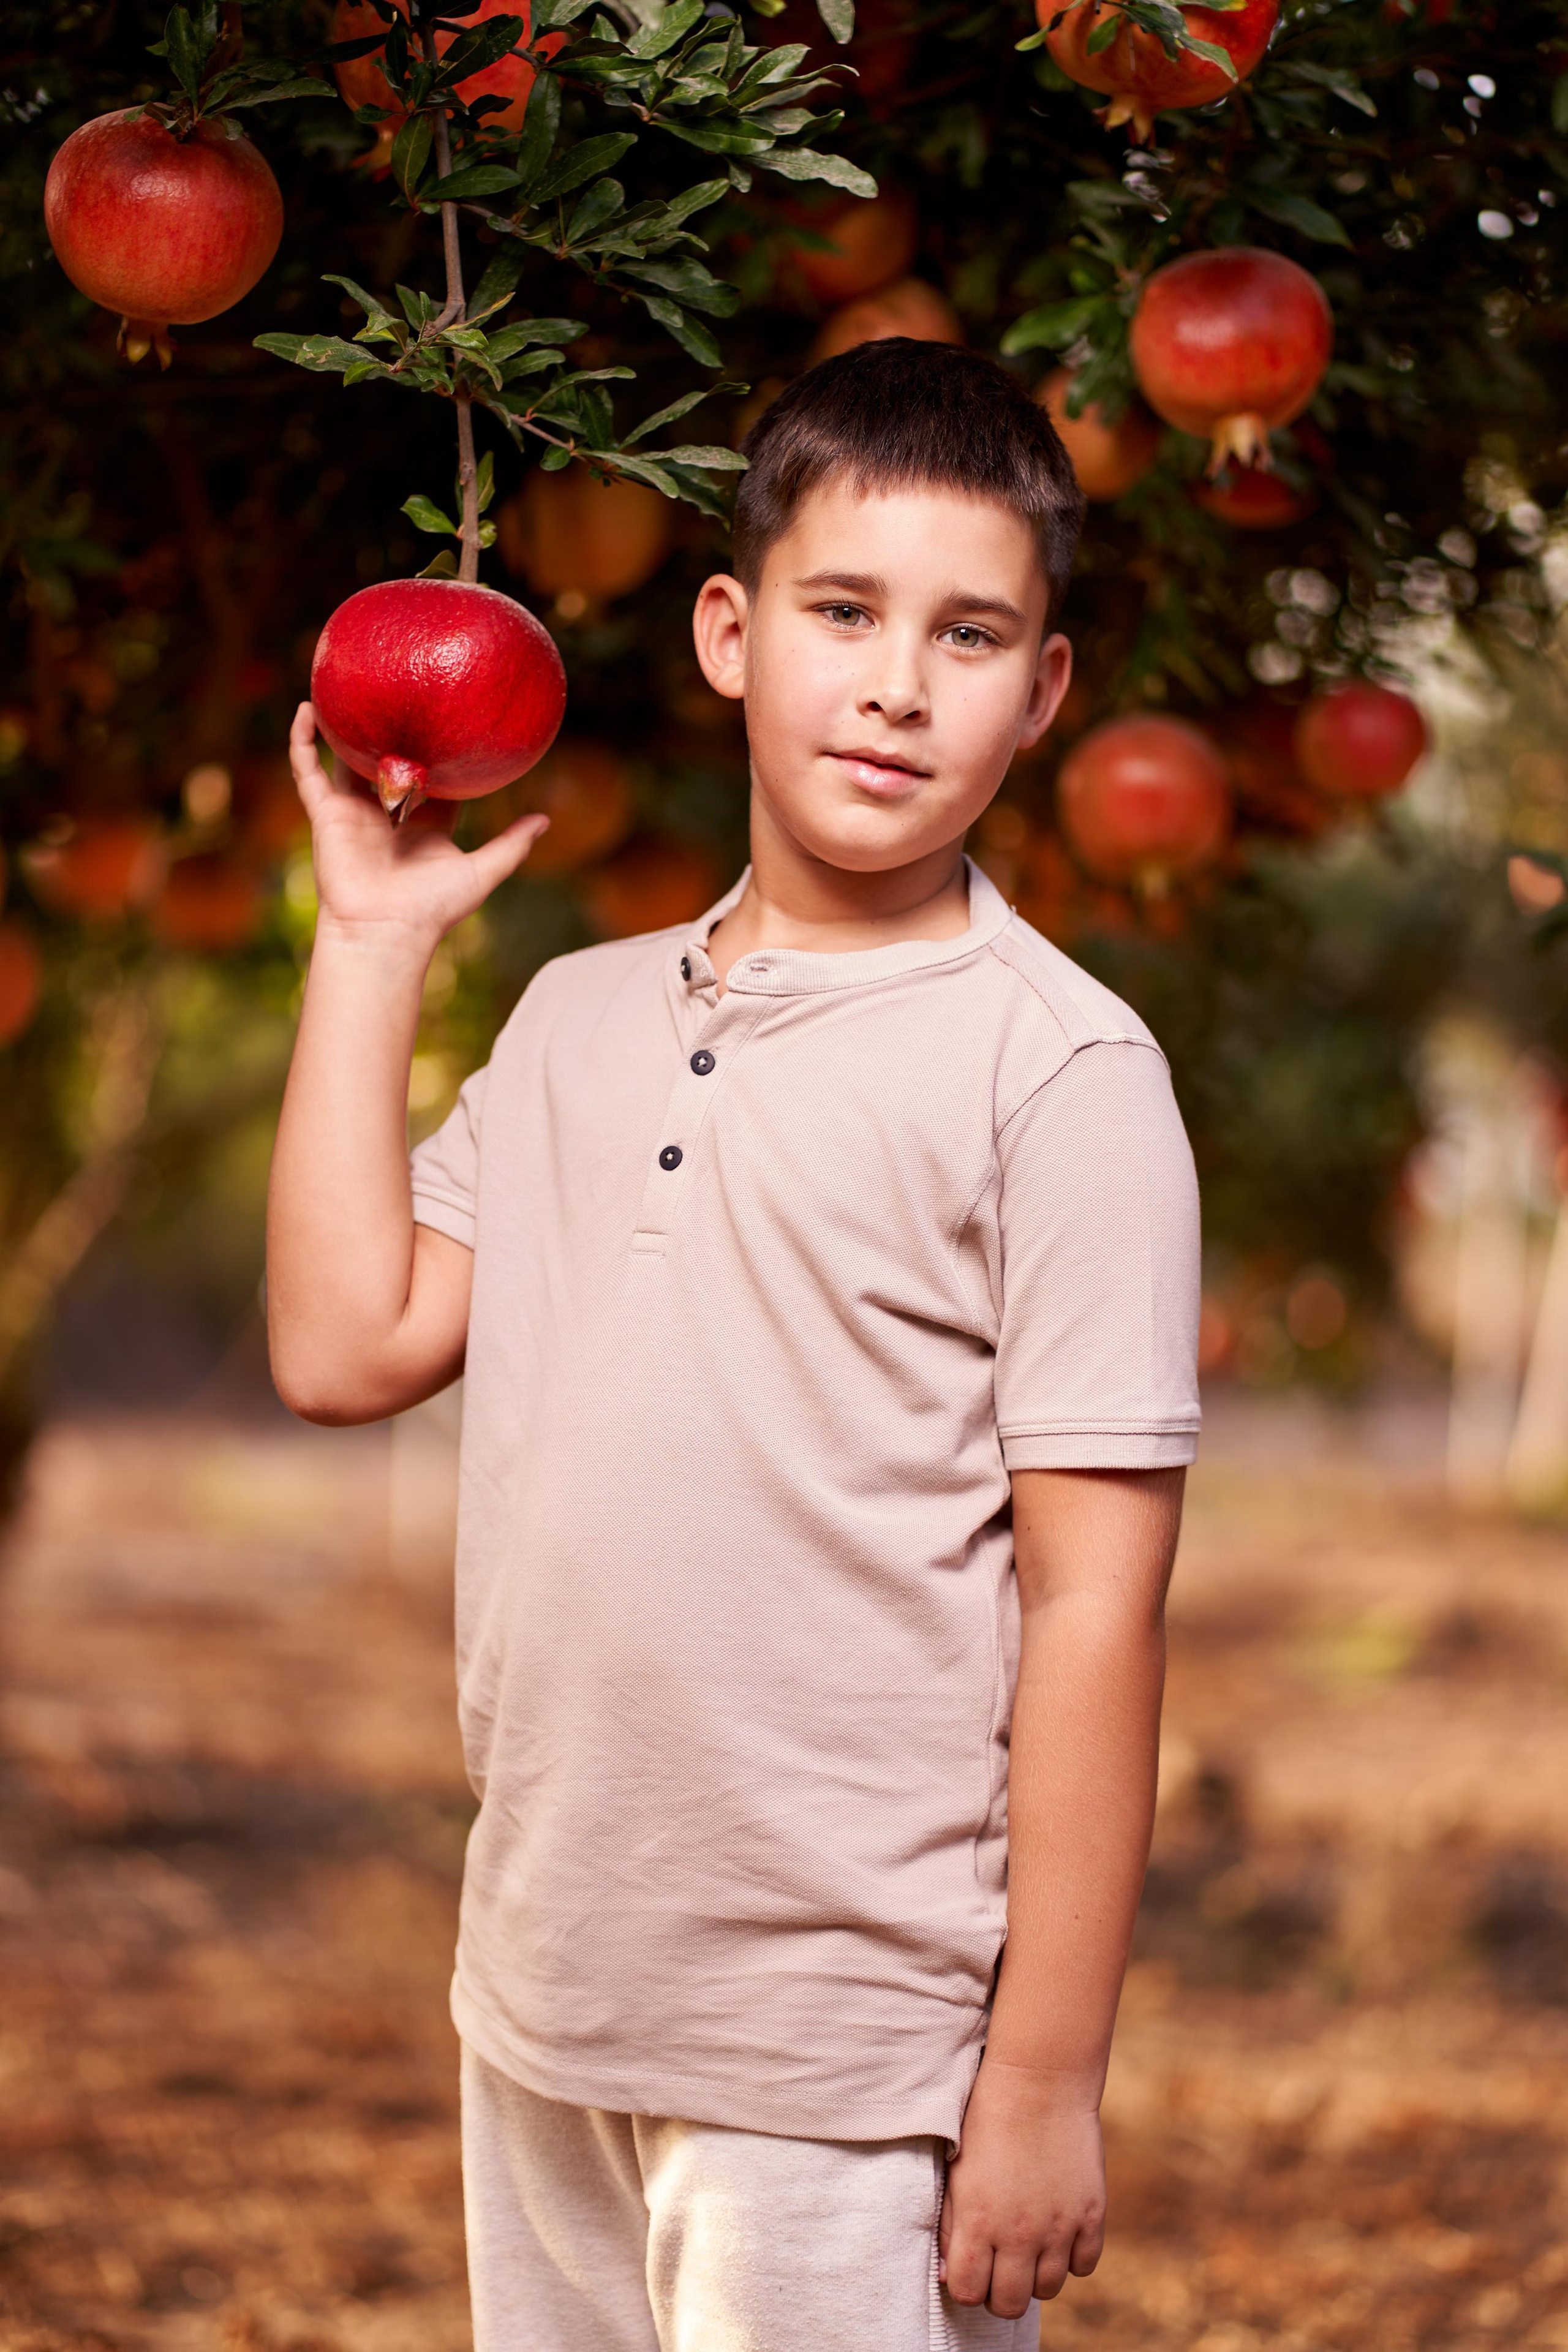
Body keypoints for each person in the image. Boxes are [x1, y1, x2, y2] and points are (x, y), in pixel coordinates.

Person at [266, 336, 1200, 2352]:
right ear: (728, 631)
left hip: (849, 2054)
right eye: (842, 612)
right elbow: (346, 1345)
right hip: (544, 1993)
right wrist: (371, 945)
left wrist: (1039, 2080)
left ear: (1042, 694)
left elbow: (1099, 1604)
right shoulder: (579, 1020)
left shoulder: (1062, 1075)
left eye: (969, 636)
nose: (893, 682)